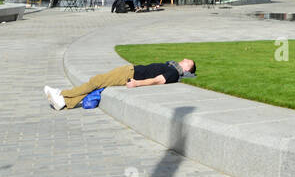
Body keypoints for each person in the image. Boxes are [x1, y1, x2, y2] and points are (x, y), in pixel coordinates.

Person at [44, 58, 197, 111]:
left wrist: (137, 83)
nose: (183, 59)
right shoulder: (173, 67)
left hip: (130, 74)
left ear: (187, 68)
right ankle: (65, 102)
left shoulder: (174, 72)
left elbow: (158, 80)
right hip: (130, 70)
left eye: (186, 61)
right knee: (97, 82)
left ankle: (62, 94)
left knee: (96, 81)